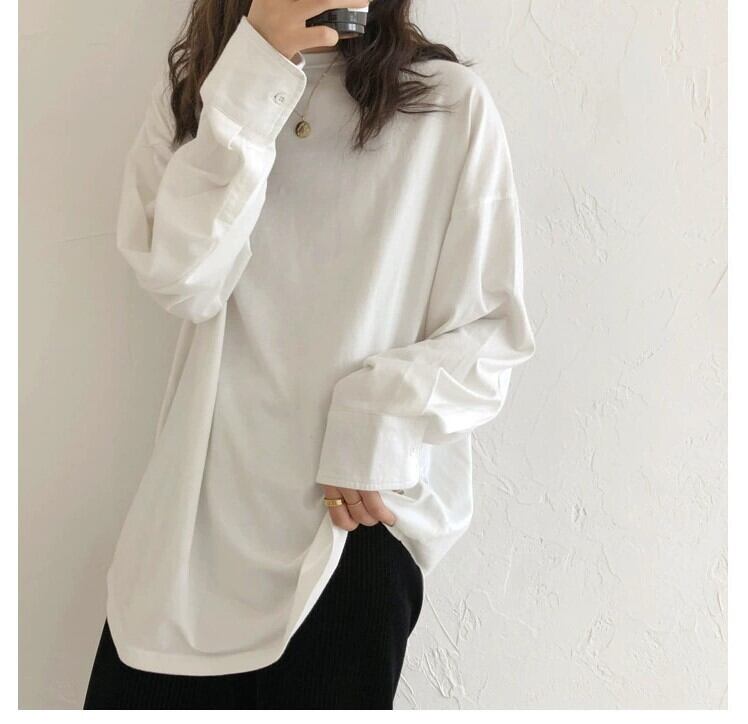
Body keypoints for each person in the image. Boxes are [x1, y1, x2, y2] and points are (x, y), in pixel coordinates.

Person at [84, 0, 536, 710]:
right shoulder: (202, 95)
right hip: (186, 548)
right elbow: (183, 279)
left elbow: (492, 329)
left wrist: (373, 419)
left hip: (347, 533)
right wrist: (257, 69)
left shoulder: (445, 104)